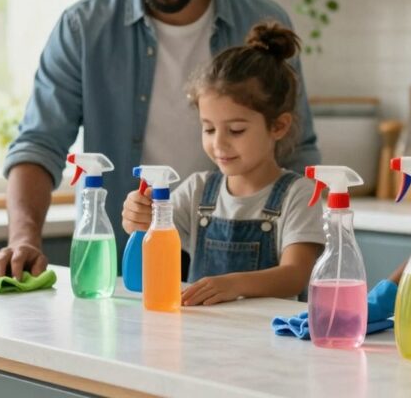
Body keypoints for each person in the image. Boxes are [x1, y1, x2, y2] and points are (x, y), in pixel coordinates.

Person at [0, 0, 320, 283]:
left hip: (254, 272)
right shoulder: (84, 28)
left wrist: (303, 258)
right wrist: (24, 238)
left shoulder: (261, 19)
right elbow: (38, 145)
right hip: (131, 260)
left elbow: (299, 149)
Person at [122, 23, 323, 305]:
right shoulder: (197, 190)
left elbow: (295, 275)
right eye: (209, 129)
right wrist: (139, 215)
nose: (219, 143)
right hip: (204, 336)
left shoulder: (299, 194)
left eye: (236, 130)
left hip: (272, 342)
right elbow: (152, 234)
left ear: (278, 126)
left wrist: (234, 284)